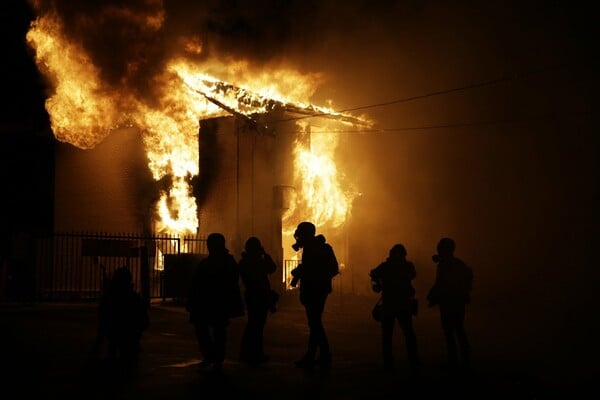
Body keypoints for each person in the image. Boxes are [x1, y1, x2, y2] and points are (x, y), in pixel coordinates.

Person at [185, 233, 244, 370]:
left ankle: (214, 357)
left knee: (214, 330)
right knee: (213, 331)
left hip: (214, 302)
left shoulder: (221, 263)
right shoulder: (223, 262)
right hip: (212, 303)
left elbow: (230, 283)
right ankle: (213, 357)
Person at [290, 221, 339, 368]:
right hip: (316, 289)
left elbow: (330, 269)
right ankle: (322, 355)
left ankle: (316, 355)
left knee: (315, 323)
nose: (298, 239)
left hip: (315, 290)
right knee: (315, 323)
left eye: (300, 235)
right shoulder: (315, 248)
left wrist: (304, 272)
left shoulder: (316, 249)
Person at [369, 244, 420, 372]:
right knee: (401, 333)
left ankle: (395, 360)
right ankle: (408, 359)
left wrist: (379, 283)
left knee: (398, 333)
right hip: (396, 303)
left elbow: (374, 274)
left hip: (395, 303)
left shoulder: (389, 266)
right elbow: (374, 274)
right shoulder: (405, 266)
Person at [427, 237, 473, 372]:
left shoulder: (444, 265)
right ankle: (465, 360)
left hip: (448, 302)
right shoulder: (459, 264)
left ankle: (453, 361)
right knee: (459, 330)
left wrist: (432, 297)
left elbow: (440, 283)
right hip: (458, 302)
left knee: (449, 332)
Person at [96, 266, 149, 365]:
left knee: (113, 355)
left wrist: (99, 341)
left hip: (115, 333)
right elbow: (144, 319)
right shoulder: (134, 298)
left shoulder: (109, 297)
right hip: (130, 335)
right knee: (129, 360)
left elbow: (103, 319)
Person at [238, 236, 278, 365]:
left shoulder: (247, 262)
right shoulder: (250, 262)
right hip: (257, 296)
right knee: (256, 326)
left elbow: (272, 269)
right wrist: (264, 254)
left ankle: (249, 352)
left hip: (255, 296)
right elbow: (271, 269)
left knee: (254, 326)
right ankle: (254, 353)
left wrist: (264, 255)